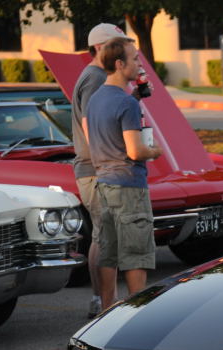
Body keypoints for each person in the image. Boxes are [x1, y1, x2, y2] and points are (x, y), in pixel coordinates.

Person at [85, 38, 162, 311]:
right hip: (129, 186)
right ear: (120, 64)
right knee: (136, 253)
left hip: (104, 184)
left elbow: (99, 131)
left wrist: (136, 97)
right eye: (135, 59)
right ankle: (135, 315)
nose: (140, 64)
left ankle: (107, 309)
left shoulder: (96, 99)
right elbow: (135, 151)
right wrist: (155, 151)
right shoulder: (127, 104)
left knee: (108, 251)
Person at [71, 23, 136, 318]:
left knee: (105, 235)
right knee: (104, 236)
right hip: (97, 169)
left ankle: (103, 300)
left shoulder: (97, 76)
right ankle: (102, 302)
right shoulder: (96, 78)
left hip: (98, 167)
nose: (122, 50)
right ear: (99, 48)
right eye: (116, 44)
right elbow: (92, 125)